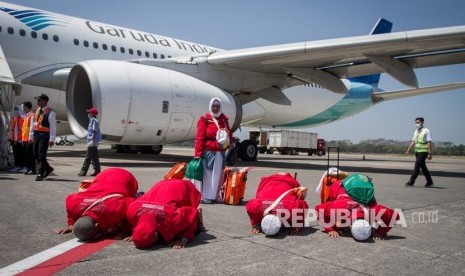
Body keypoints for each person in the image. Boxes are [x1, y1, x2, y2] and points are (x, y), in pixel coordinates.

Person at [55, 168, 138, 241]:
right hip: (102, 175)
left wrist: (128, 229)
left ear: (96, 225)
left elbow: (134, 206)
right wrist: (72, 224)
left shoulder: (113, 210)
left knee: (137, 197)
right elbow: (69, 200)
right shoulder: (73, 205)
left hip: (127, 177)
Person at [125, 178, 203, 249]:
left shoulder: (171, 220)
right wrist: (139, 234)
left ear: (155, 235)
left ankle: (200, 221)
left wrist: (184, 239)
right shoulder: (132, 212)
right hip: (161, 185)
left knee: (196, 229)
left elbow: (192, 214)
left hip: (181, 187)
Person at [315, 176, 399, 240]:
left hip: (361, 186)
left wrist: (380, 232)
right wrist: (330, 228)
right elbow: (319, 209)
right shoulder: (341, 209)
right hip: (341, 186)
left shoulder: (374, 210)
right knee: (333, 213)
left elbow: (394, 216)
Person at [193, 97, 233, 203]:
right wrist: (198, 154)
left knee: (219, 175)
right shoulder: (205, 118)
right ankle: (206, 196)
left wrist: (230, 144)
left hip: (221, 151)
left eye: (218, 106)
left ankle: (215, 195)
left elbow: (229, 132)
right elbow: (200, 137)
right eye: (214, 106)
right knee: (209, 174)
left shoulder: (224, 119)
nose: (216, 108)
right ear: (210, 107)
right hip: (209, 151)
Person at [32, 94, 56, 181]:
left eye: (39, 100)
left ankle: (40, 174)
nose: (37, 101)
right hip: (36, 135)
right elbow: (34, 124)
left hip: (44, 136)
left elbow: (53, 127)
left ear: (45, 101)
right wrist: (31, 135)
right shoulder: (37, 110)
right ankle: (48, 168)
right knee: (35, 154)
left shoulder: (51, 112)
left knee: (41, 155)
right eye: (37, 100)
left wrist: (52, 139)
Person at [404, 117, 434, 187]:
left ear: (422, 122)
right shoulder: (416, 131)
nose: (416, 124)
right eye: (416, 122)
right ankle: (430, 182)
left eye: (418, 122)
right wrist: (408, 150)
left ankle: (411, 181)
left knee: (417, 166)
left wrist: (429, 153)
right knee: (423, 168)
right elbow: (413, 141)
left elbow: (429, 142)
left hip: (423, 151)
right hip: (417, 151)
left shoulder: (426, 131)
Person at [78, 107, 101, 177]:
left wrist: (91, 140)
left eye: (89, 113)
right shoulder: (92, 121)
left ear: (92, 114)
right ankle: (97, 171)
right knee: (95, 158)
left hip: (92, 142)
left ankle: (83, 172)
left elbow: (94, 131)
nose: (88, 114)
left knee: (88, 157)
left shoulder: (94, 121)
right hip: (93, 142)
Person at [8, 105, 25, 172]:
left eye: (16, 109)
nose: (15, 111)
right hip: (13, 139)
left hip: (19, 139)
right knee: (15, 154)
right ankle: (17, 166)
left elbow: (20, 129)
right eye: (14, 109)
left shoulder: (21, 118)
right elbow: (11, 129)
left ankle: (21, 166)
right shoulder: (13, 118)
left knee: (20, 154)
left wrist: (19, 139)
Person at [21, 101, 36, 175]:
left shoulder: (32, 115)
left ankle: (32, 169)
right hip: (24, 139)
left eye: (23, 106)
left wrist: (30, 138)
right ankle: (28, 168)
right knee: (26, 155)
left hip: (29, 139)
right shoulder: (26, 116)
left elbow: (32, 127)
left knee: (30, 155)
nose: (23, 108)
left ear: (27, 107)